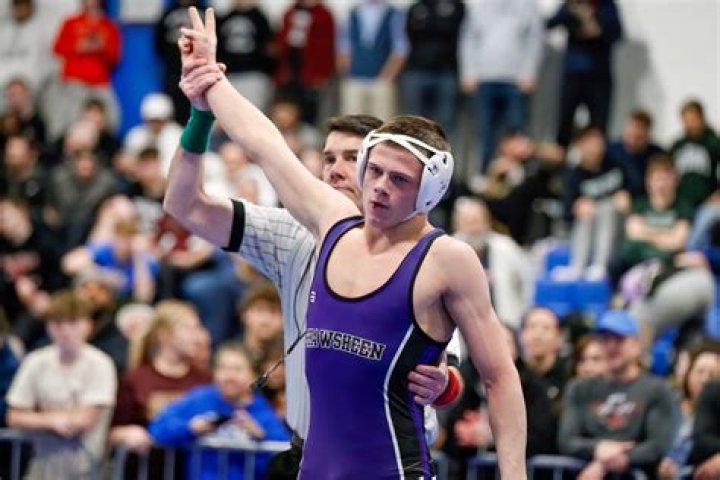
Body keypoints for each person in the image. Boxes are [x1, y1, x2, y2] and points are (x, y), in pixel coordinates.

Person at [168, 8, 526, 478]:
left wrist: (513, 473)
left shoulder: (446, 259)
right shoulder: (329, 221)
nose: (379, 188)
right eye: (374, 171)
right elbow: (264, 144)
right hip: (312, 466)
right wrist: (209, 77)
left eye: (399, 179)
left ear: (429, 192)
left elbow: (499, 377)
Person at [167, 88, 463, 480]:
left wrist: (444, 384)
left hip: (390, 465)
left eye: (352, 158)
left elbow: (451, 372)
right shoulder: (293, 233)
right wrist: (201, 117)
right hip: (308, 457)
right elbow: (184, 205)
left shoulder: (427, 258)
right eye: (328, 158)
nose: (335, 169)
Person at [6, 290, 117, 479]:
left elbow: (85, 420)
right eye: (57, 323)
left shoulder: (101, 364)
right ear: (48, 327)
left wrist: (36, 418)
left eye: (73, 323)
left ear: (88, 325)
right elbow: (13, 416)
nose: (65, 331)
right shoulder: (35, 361)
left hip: (87, 469)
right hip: (41, 467)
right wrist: (52, 421)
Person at [558, 309, 675, 479]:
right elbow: (567, 441)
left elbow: (657, 445)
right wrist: (599, 448)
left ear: (636, 345)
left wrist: (609, 462)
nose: (611, 347)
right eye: (605, 340)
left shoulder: (657, 389)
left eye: (619, 340)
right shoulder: (579, 389)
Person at [149, 341, 290, 480]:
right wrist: (190, 428)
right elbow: (158, 428)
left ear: (253, 375)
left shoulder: (262, 411)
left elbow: (284, 457)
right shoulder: (200, 399)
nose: (229, 376)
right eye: (223, 368)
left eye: (237, 369)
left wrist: (260, 436)